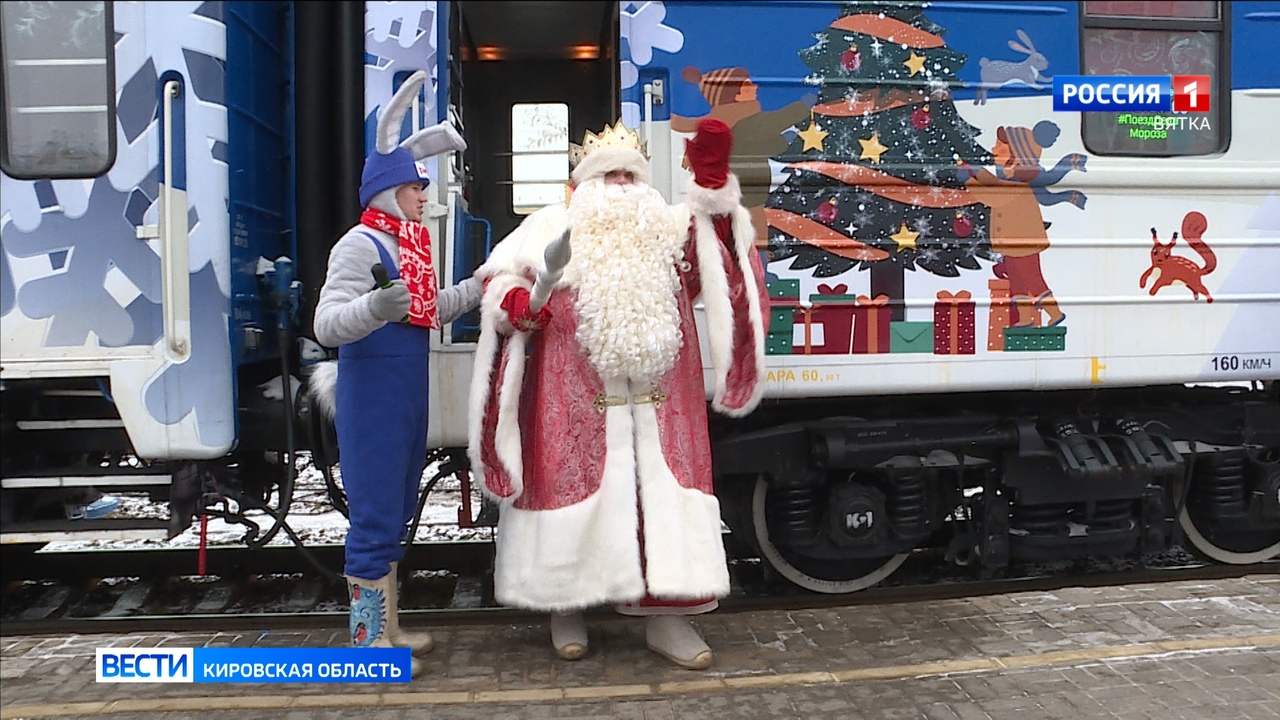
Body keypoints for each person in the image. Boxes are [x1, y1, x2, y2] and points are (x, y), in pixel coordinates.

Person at [467, 119, 768, 670]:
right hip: (572, 402)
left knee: (657, 503)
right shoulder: (551, 226)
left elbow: (722, 265)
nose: (622, 184)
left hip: (660, 407)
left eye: (631, 173)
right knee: (566, 493)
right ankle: (566, 609)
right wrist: (515, 305)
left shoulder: (669, 228)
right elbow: (500, 281)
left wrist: (714, 190)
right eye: (609, 175)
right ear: (584, 183)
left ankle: (665, 619)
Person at [310, 71, 480, 678]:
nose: (423, 196)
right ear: (388, 191)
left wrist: (474, 288)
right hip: (375, 400)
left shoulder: (405, 248)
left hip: (405, 398)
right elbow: (328, 325)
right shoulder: (360, 245)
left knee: (397, 507)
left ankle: (390, 627)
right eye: (415, 188)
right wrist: (373, 308)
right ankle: (364, 642)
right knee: (376, 513)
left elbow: (426, 310)